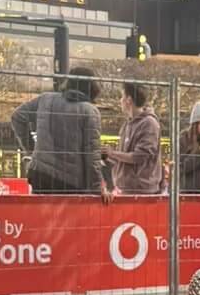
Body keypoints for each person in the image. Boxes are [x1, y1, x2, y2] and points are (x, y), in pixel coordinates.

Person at [11, 67, 109, 199]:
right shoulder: (90, 111)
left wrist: (32, 149)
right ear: (92, 87)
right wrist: (98, 188)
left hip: (41, 174)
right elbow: (91, 154)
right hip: (72, 181)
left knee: (41, 217)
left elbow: (17, 116)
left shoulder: (45, 99)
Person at [104, 81, 162, 194]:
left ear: (129, 100)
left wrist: (113, 153)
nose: (120, 100)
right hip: (126, 188)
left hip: (142, 190)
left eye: (122, 96)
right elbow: (125, 157)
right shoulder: (127, 124)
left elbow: (139, 157)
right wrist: (107, 155)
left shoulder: (149, 123)